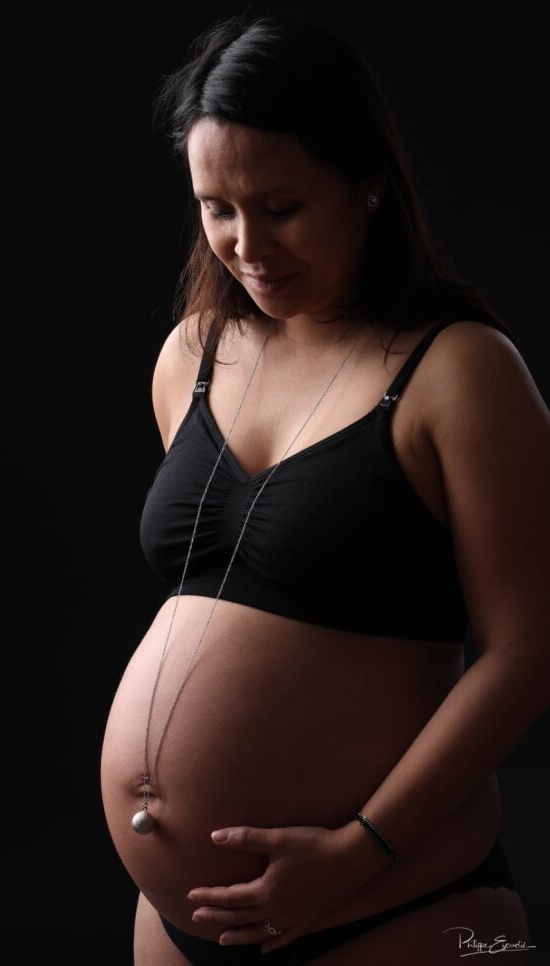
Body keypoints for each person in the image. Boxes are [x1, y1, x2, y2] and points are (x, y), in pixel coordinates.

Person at [99, 10, 549, 964]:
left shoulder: (459, 371)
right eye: (216, 208)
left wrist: (356, 850)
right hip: (174, 925)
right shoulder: (194, 355)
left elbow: (526, 650)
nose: (245, 242)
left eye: (282, 206)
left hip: (393, 904)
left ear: (369, 183)